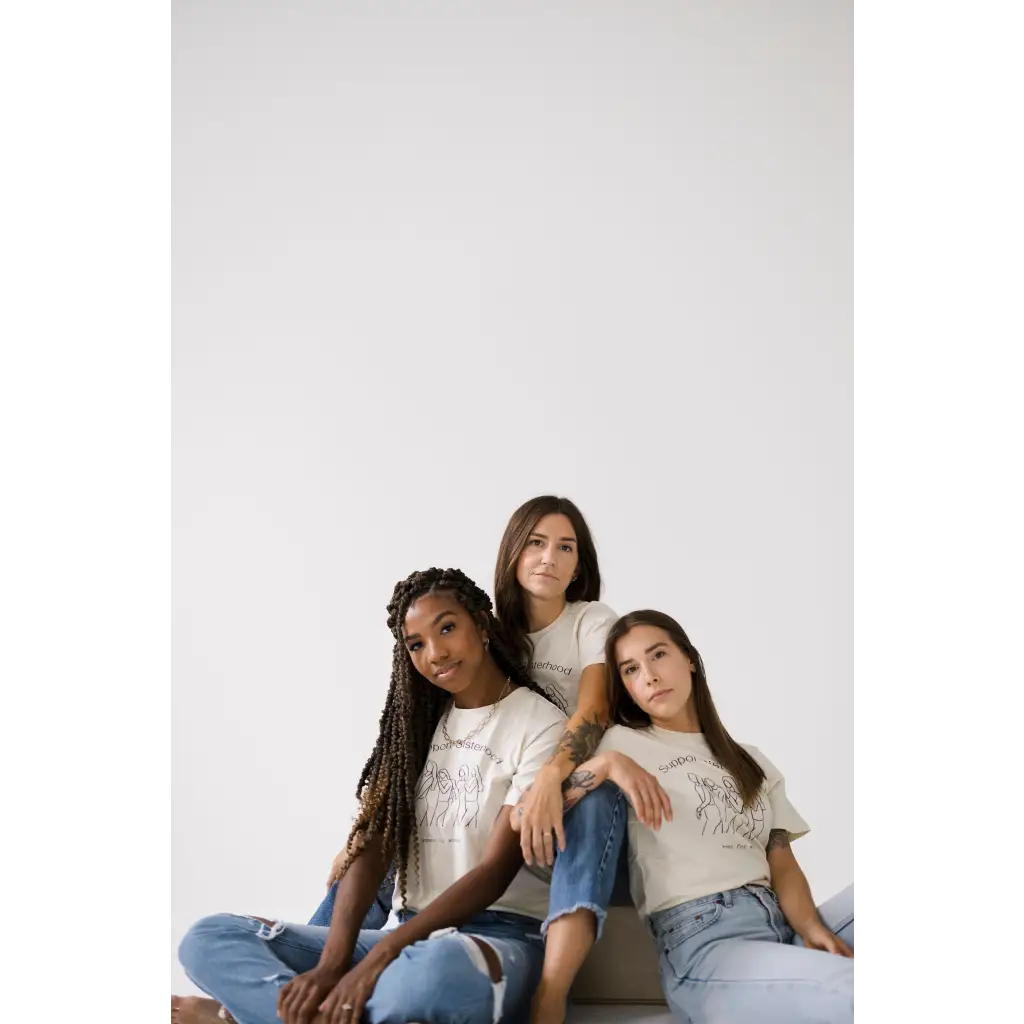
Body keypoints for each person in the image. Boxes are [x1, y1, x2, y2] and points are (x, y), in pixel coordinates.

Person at [171, 568, 566, 1024]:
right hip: (408, 934)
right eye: (416, 644)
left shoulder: (541, 725)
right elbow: (374, 848)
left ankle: (242, 1016)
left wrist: (380, 958)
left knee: (428, 976)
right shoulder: (415, 727)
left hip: (496, 939)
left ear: (480, 624)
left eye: (447, 628)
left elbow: (495, 872)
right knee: (207, 938)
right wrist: (334, 962)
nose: (435, 653)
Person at [552, 609, 856, 1023]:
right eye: (631, 669)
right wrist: (607, 764)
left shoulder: (751, 761)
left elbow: (781, 863)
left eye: (658, 655)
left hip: (781, 926)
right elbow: (553, 805)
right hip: (707, 946)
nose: (650, 676)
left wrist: (811, 927)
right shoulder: (622, 742)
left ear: (689, 658)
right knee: (851, 989)